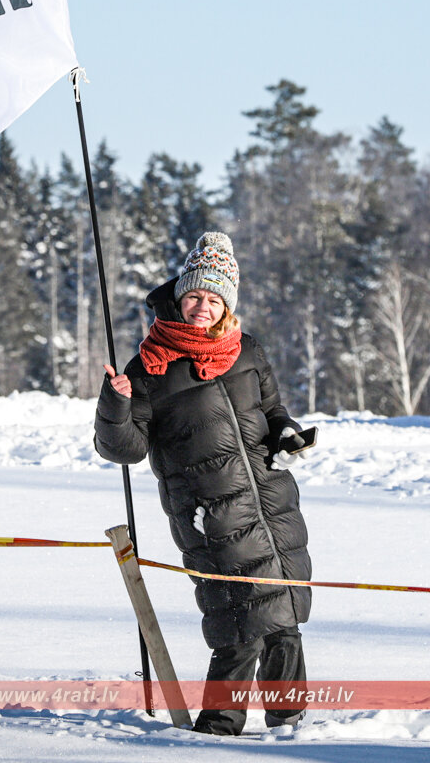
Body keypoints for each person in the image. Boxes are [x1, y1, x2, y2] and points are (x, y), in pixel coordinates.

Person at [93, 232, 313, 735]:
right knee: (239, 620)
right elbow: (124, 449)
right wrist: (116, 403)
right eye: (194, 296)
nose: (202, 308)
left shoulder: (247, 351)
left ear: (226, 306)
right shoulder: (149, 368)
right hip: (209, 513)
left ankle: (290, 723)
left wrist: (287, 434)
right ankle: (218, 730)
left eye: (214, 300)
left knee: (284, 616)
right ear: (179, 297)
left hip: (272, 504)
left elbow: (273, 412)